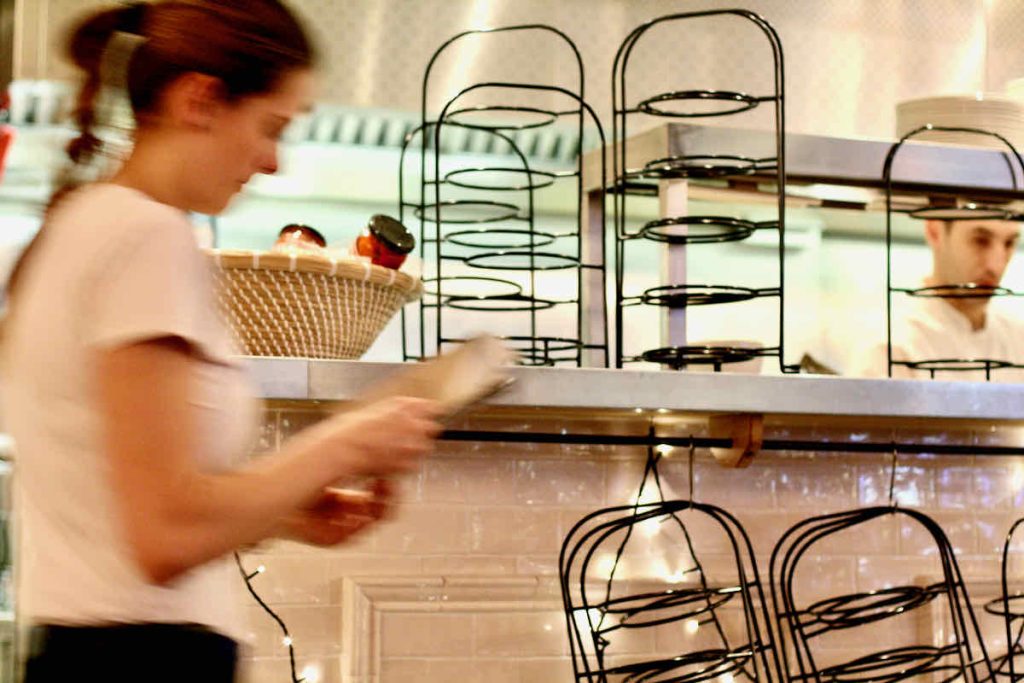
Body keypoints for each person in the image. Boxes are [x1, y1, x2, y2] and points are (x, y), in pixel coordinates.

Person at [1, 1, 442, 680]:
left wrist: (287, 512)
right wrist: (346, 442)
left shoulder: (79, 226)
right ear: (200, 99)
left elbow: (120, 504)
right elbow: (165, 533)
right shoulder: (144, 236)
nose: (270, 162)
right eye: (271, 127)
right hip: (142, 662)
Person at [853, 217, 1024, 381]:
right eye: (980, 241)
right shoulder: (890, 348)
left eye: (1009, 243)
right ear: (935, 232)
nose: (995, 265)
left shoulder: (1019, 339)